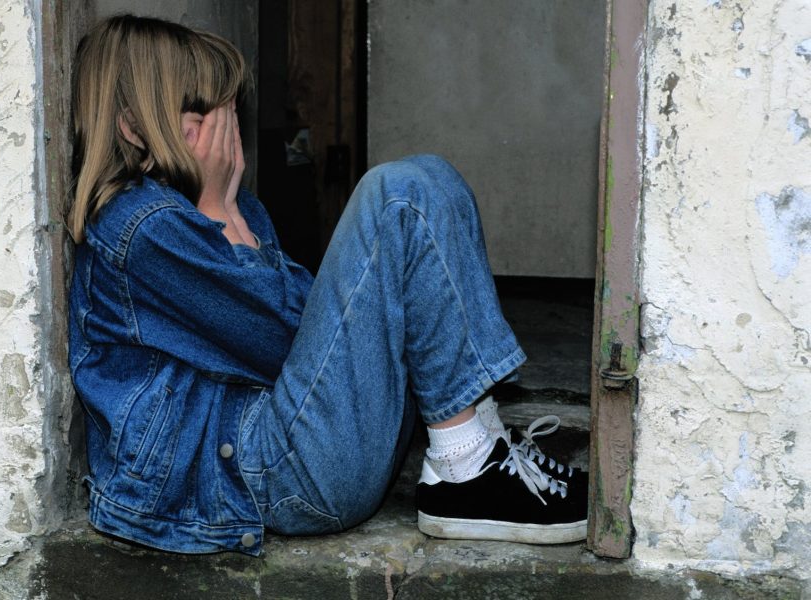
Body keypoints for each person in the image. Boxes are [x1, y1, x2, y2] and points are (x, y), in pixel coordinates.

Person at [66, 15, 588, 556]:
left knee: (429, 177)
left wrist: (232, 216)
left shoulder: (219, 209)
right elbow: (289, 340)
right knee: (398, 195)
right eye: (201, 117)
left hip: (286, 445)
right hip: (260, 474)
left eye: (226, 116)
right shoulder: (143, 228)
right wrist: (222, 213)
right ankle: (466, 470)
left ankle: (476, 448)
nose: (226, 138)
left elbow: (311, 332)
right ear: (132, 127)